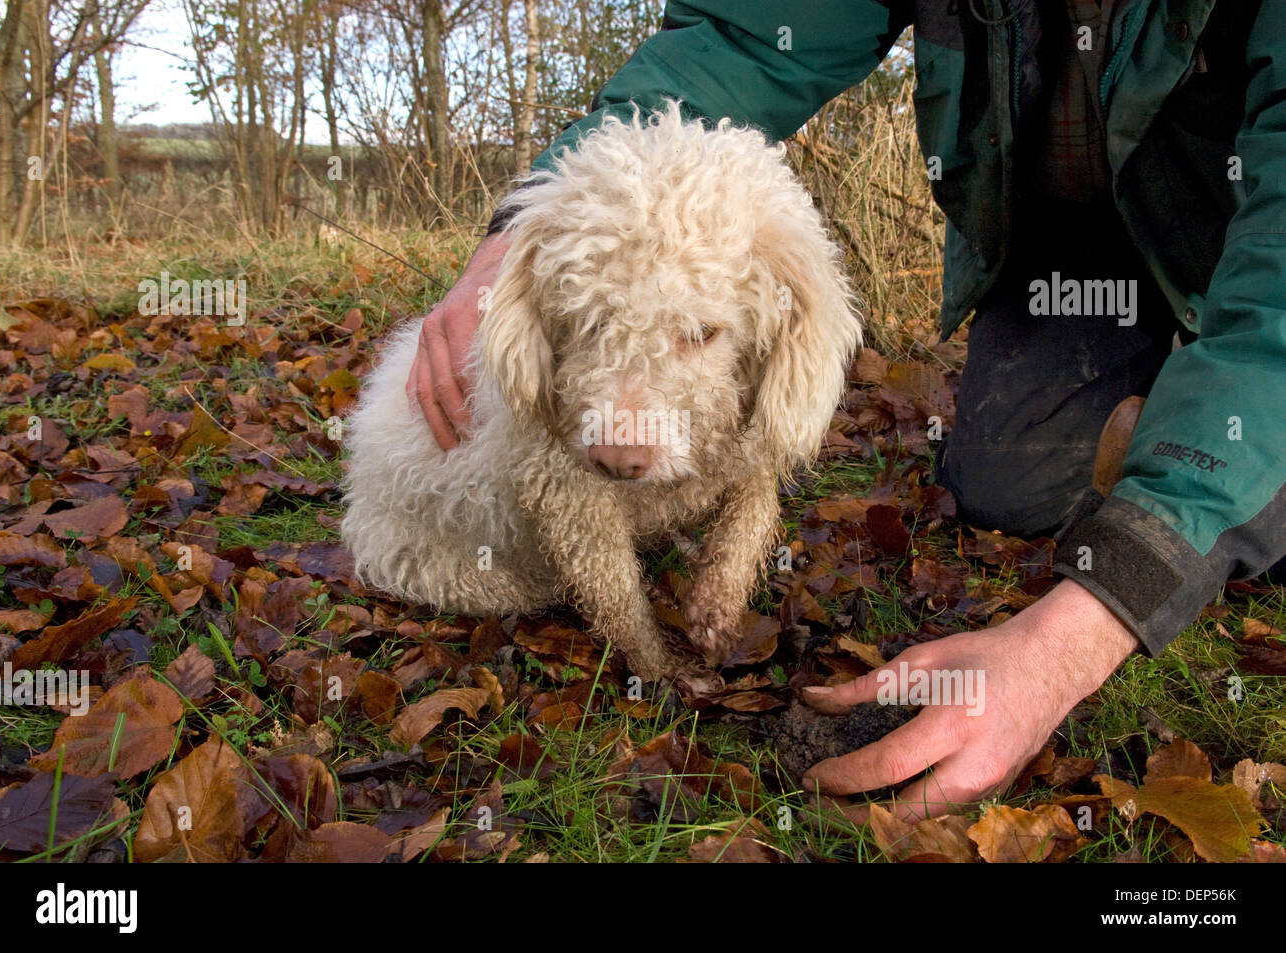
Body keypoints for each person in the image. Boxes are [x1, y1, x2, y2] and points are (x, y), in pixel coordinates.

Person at [406, 1, 1286, 820]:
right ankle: (1171, 404)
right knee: (1005, 493)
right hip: (1068, 247)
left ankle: (1208, 417)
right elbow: (749, 35)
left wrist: (1076, 633)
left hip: (1244, 225)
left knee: (1233, 480)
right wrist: (539, 217)